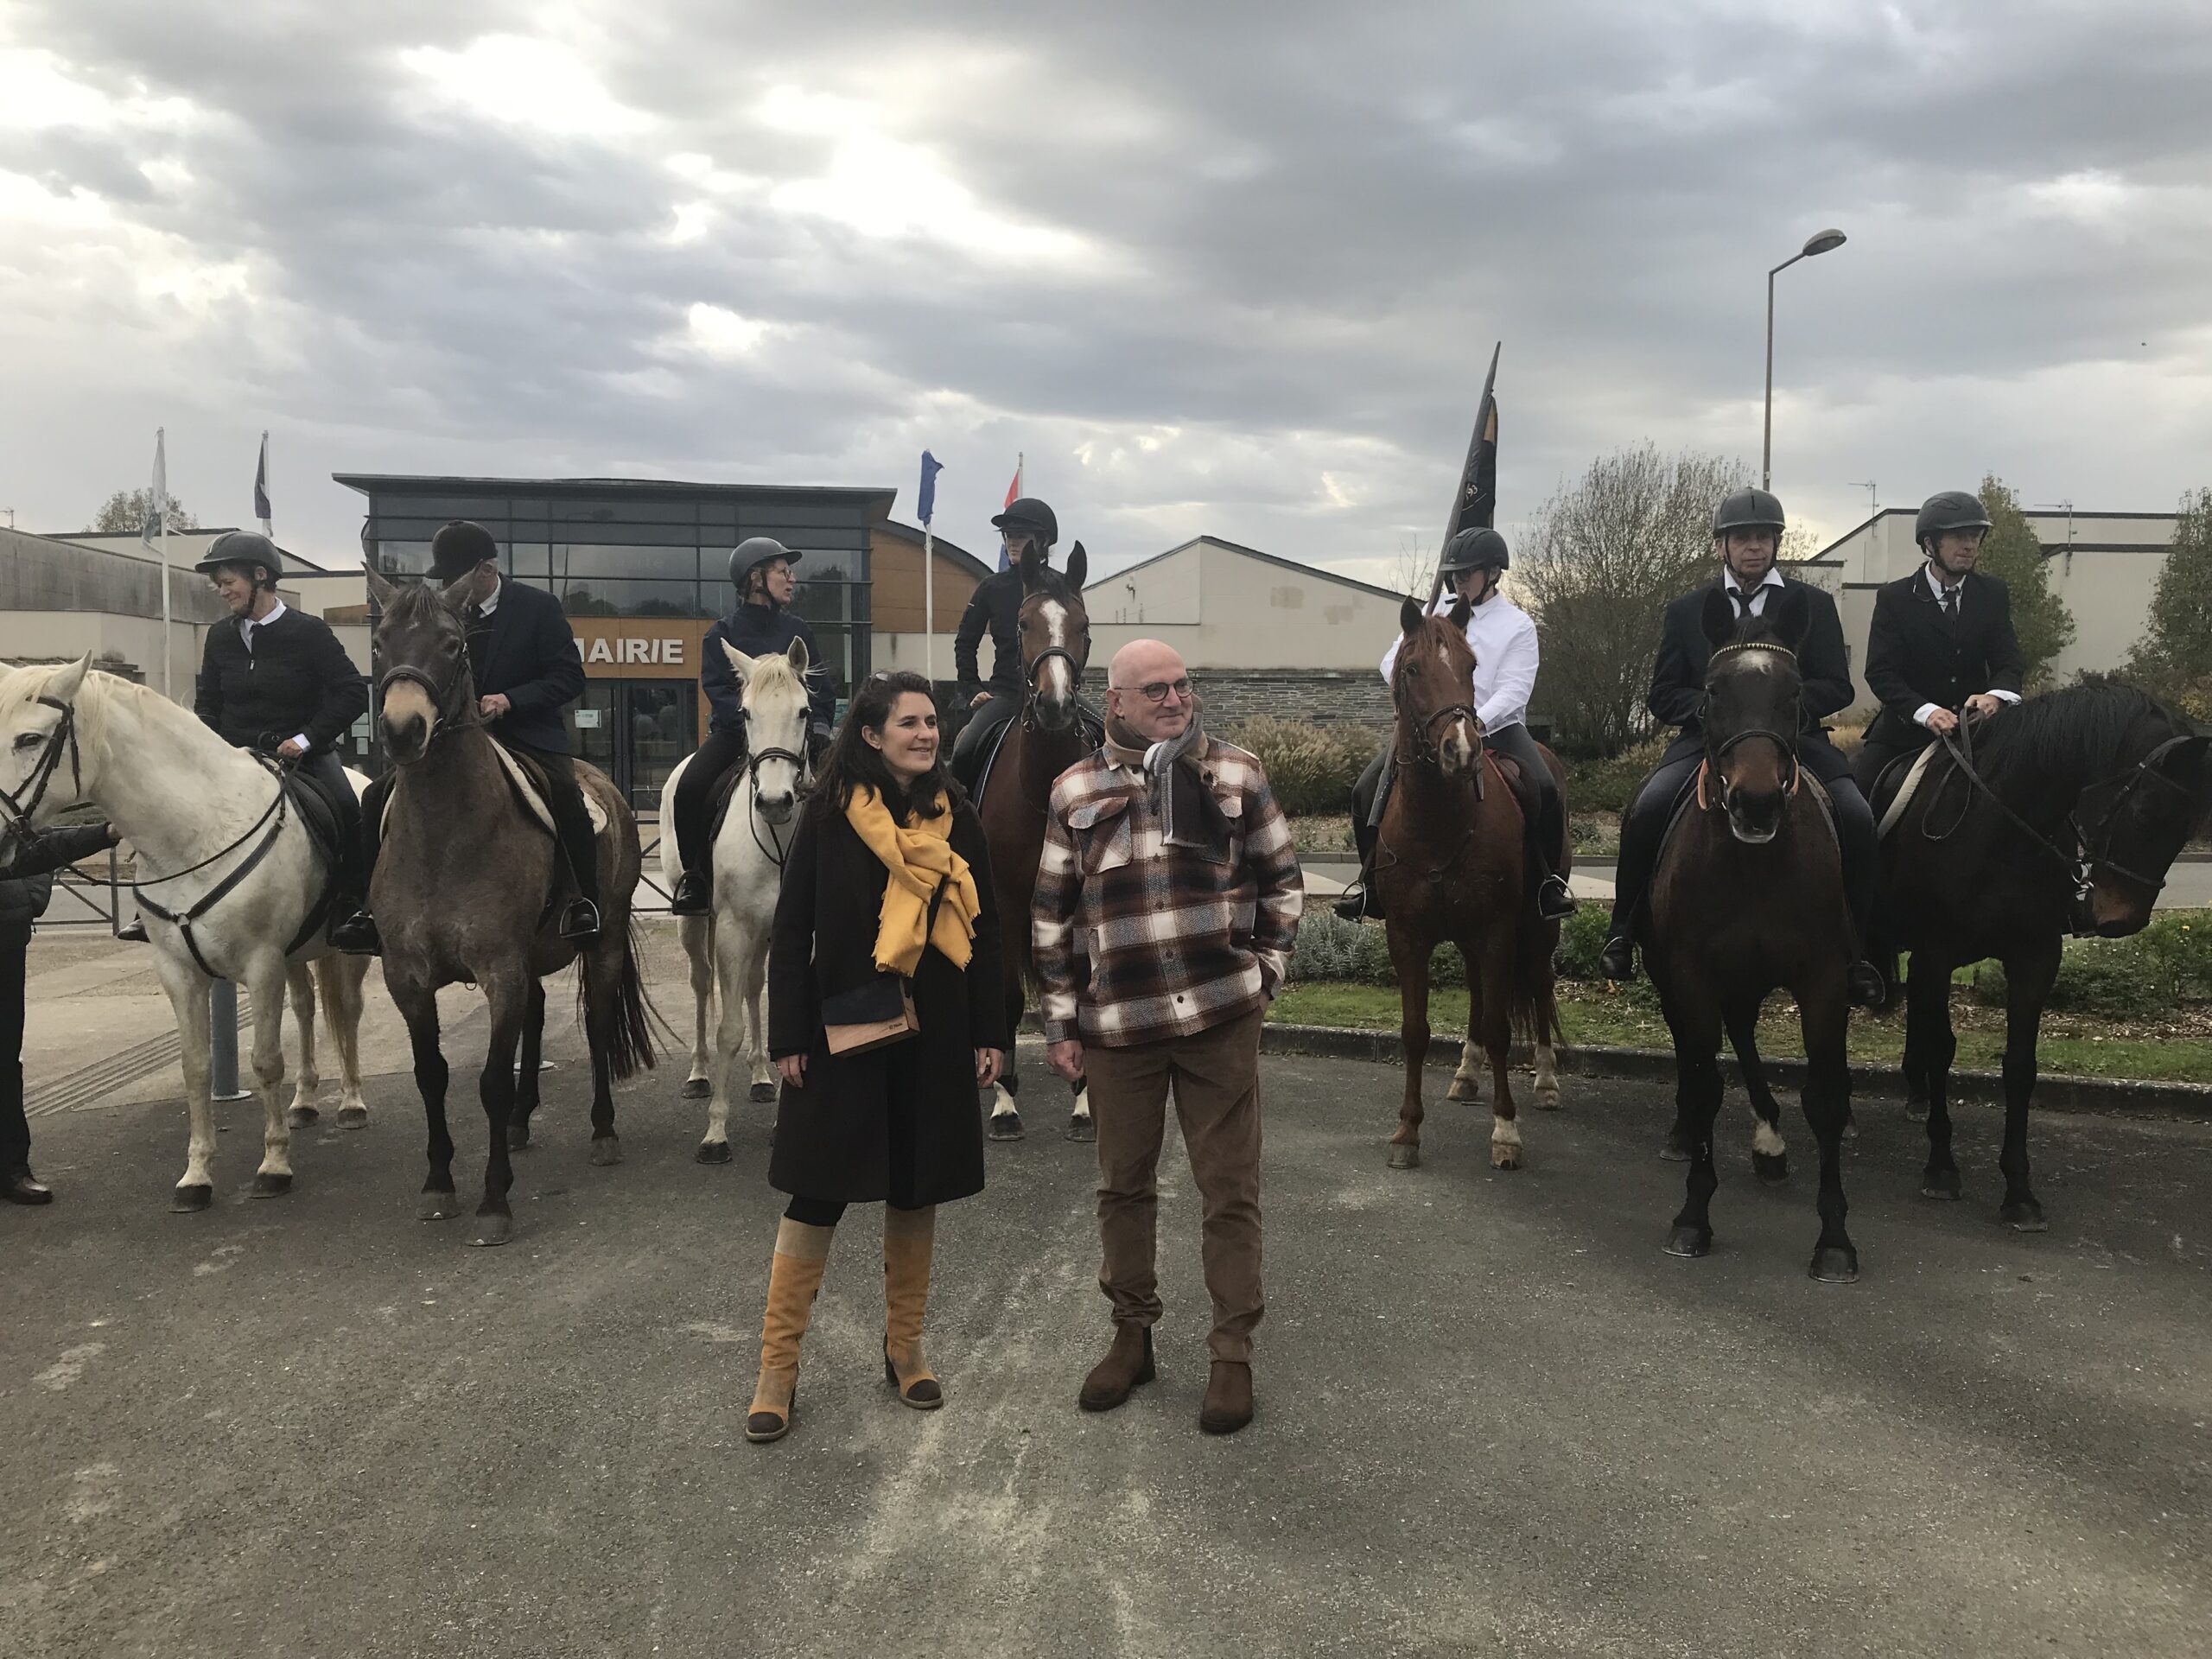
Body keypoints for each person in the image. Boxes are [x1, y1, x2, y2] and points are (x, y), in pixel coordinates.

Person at [1033, 640, 1304, 1436]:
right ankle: (1132, 1335)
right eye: (1156, 690)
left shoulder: (1237, 774)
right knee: (1123, 1188)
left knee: (1231, 1191)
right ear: (1113, 701)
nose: (1176, 700)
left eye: (1183, 686)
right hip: (1120, 1028)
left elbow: (1283, 883)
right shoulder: (1072, 790)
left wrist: (1266, 977)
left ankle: (1231, 1355)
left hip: (1220, 1018)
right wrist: (1060, 1022)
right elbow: (1051, 917)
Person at [747, 671, 1008, 1444]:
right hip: (843, 1029)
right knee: (817, 1192)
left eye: (932, 722)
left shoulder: (958, 818)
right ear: (870, 734)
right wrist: (788, 1035)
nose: (926, 734)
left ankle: (906, 1349)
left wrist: (990, 1030)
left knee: (914, 1185)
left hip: (937, 1029)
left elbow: (988, 930)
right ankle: (777, 1368)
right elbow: (793, 932)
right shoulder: (827, 818)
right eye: (909, 723)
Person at [1596, 488, 1885, 1009]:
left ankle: (1861, 950)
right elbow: (1663, 691)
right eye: (1742, 539)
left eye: (1763, 538)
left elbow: (1836, 687)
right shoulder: (1688, 610)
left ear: (1776, 543)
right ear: (1723, 546)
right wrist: (1710, 711)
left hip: (1792, 739)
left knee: (1857, 815)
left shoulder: (1810, 605)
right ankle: (1624, 930)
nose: (1753, 547)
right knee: (1649, 806)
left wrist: (1778, 711)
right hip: (1705, 740)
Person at [329, 521, 597, 953]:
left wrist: (510, 699)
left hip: (525, 735)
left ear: (487, 570)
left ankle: (583, 900)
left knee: (566, 795)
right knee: (375, 796)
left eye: (456, 579)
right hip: (451, 739)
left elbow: (569, 677)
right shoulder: (440, 615)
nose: (449, 589)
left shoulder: (538, 607)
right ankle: (367, 910)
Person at [121, 531, 370, 944]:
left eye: (228, 583)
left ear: (260, 577)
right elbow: (209, 704)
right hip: (233, 756)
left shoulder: (309, 632)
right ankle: (153, 908)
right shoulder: (220, 637)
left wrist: (305, 739)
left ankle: (359, 907)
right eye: (218, 585)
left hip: (303, 756)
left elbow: (351, 692)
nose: (222, 592)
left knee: (348, 811)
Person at [1336, 526, 1576, 923]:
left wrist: (1473, 722)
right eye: (1455, 572)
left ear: (1494, 573)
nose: (1460, 579)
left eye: (1470, 571)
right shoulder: (1432, 615)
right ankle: (1371, 887)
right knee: (1365, 790)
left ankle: (1547, 884)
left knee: (1545, 788)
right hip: (1431, 730)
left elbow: (1515, 689)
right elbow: (1389, 663)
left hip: (1497, 728)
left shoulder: (1517, 625)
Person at [667, 537, 837, 917]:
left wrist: (822, 727)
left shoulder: (799, 632)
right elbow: (718, 691)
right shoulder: (720, 635)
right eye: (783, 571)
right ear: (757, 579)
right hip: (737, 734)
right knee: (689, 788)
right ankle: (695, 876)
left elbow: (823, 690)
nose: (791, 579)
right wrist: (753, 725)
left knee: (847, 789)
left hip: (797, 736)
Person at [1852, 490, 2024, 793]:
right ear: (1930, 544)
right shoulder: (1895, 598)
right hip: (1905, 735)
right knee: (1855, 809)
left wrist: (1996, 696)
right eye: (1959, 536)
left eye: (1975, 536)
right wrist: (1926, 711)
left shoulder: (1993, 594)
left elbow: (2009, 662)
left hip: (1978, 731)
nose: (1970, 545)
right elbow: (1881, 674)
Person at [3, 821, 123, 1203]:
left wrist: (105, 832)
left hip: (5, 936)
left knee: (5, 1061)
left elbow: (38, 846)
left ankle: (12, 1169)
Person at [949, 495, 1061, 791]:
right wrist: (972, 688)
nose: (1011, 542)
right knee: (962, 752)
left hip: (1055, 695)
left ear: (1042, 541)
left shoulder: (1063, 586)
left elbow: (1078, 638)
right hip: (1006, 695)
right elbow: (965, 642)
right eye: (1008, 536)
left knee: (1101, 736)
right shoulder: (990, 587)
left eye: (1020, 536)